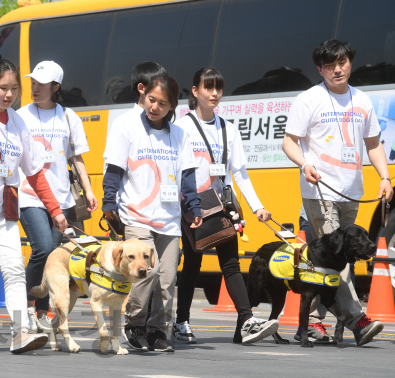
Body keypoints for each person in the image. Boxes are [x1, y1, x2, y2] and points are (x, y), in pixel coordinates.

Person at [282, 39, 393, 346]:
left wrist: (385, 177)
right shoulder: (309, 99)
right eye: (329, 66)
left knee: (331, 261)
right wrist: (304, 164)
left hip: (352, 192)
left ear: (350, 63)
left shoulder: (363, 101)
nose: (337, 69)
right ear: (320, 69)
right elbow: (289, 141)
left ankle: (314, 322)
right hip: (320, 191)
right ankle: (357, 320)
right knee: (338, 255)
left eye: (341, 63)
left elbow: (373, 144)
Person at [0, 59, 67, 354]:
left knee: (15, 269)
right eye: (3, 88)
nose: (9, 95)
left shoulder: (19, 123)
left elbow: (34, 173)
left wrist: (55, 210)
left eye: (14, 89)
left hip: (4, 211)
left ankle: (21, 332)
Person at [173, 67, 278, 345]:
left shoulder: (227, 129)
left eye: (218, 87)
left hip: (219, 207)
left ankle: (246, 321)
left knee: (231, 264)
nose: (215, 93)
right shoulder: (181, 127)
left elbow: (239, 174)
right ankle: (181, 321)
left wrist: (257, 207)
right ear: (195, 92)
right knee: (192, 265)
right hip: (190, 206)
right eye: (208, 87)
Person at [103, 74, 202, 352]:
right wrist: (108, 202)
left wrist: (193, 206)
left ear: (172, 107)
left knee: (167, 278)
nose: (155, 107)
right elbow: (114, 169)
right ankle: (134, 323)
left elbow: (188, 176)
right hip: (136, 214)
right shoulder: (126, 125)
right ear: (144, 95)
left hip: (169, 219)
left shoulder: (180, 135)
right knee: (147, 271)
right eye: (151, 100)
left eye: (163, 103)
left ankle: (158, 329)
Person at [17, 61, 98, 333]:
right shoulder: (21, 115)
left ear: (55, 87)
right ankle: (26, 305)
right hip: (30, 196)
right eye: (33, 82)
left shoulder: (68, 117)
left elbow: (77, 158)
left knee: (52, 254)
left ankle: (41, 311)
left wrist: (88, 190)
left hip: (62, 199)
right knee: (41, 248)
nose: (34, 88)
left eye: (41, 84)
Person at [103, 62, 168, 168]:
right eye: (158, 86)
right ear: (141, 88)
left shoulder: (172, 127)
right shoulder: (123, 124)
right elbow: (112, 174)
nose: (163, 91)